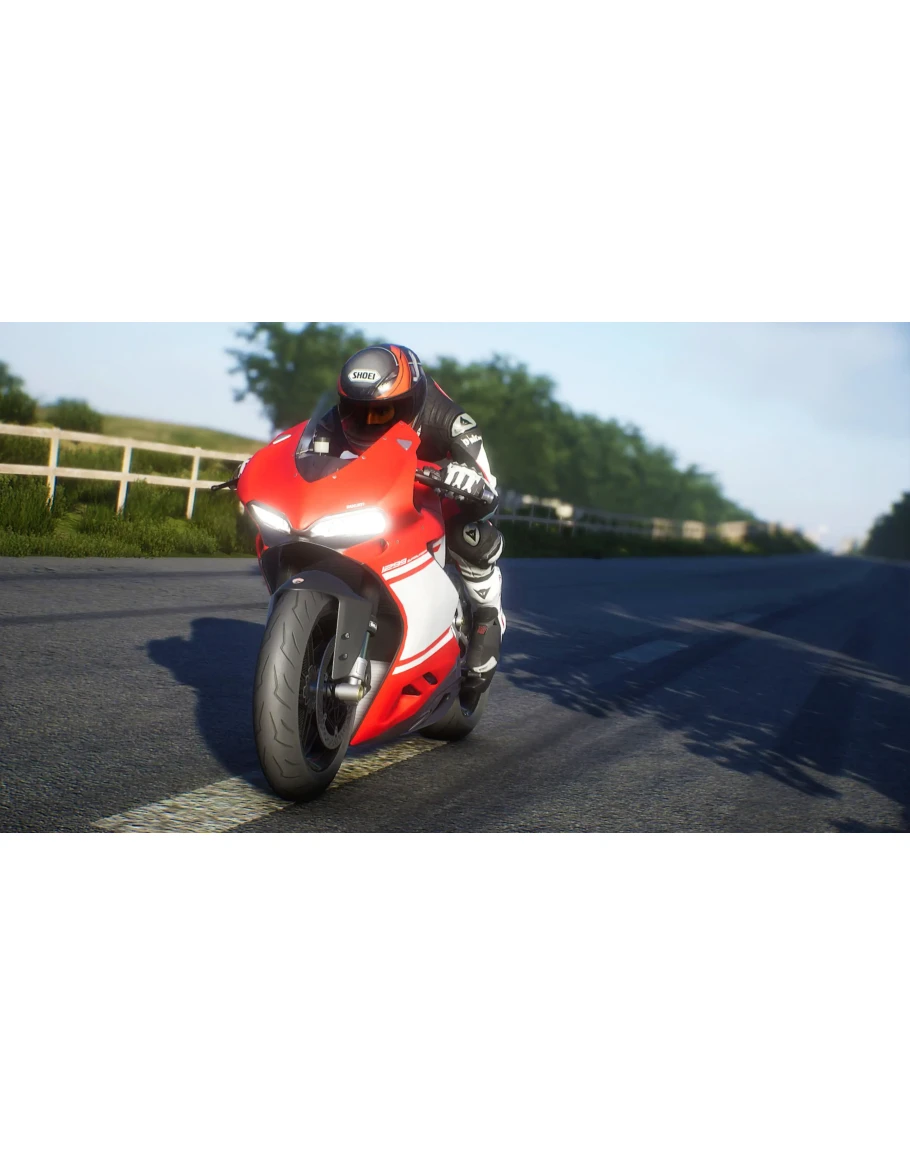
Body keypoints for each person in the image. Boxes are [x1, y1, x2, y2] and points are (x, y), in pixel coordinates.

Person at [307, 343, 505, 694]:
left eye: (382, 413)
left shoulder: (451, 421)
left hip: (435, 489)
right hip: (374, 489)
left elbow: (489, 492)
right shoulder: (337, 418)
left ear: (410, 402)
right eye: (357, 411)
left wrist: (468, 481)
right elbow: (308, 461)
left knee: (469, 532)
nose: (368, 421)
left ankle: (487, 613)